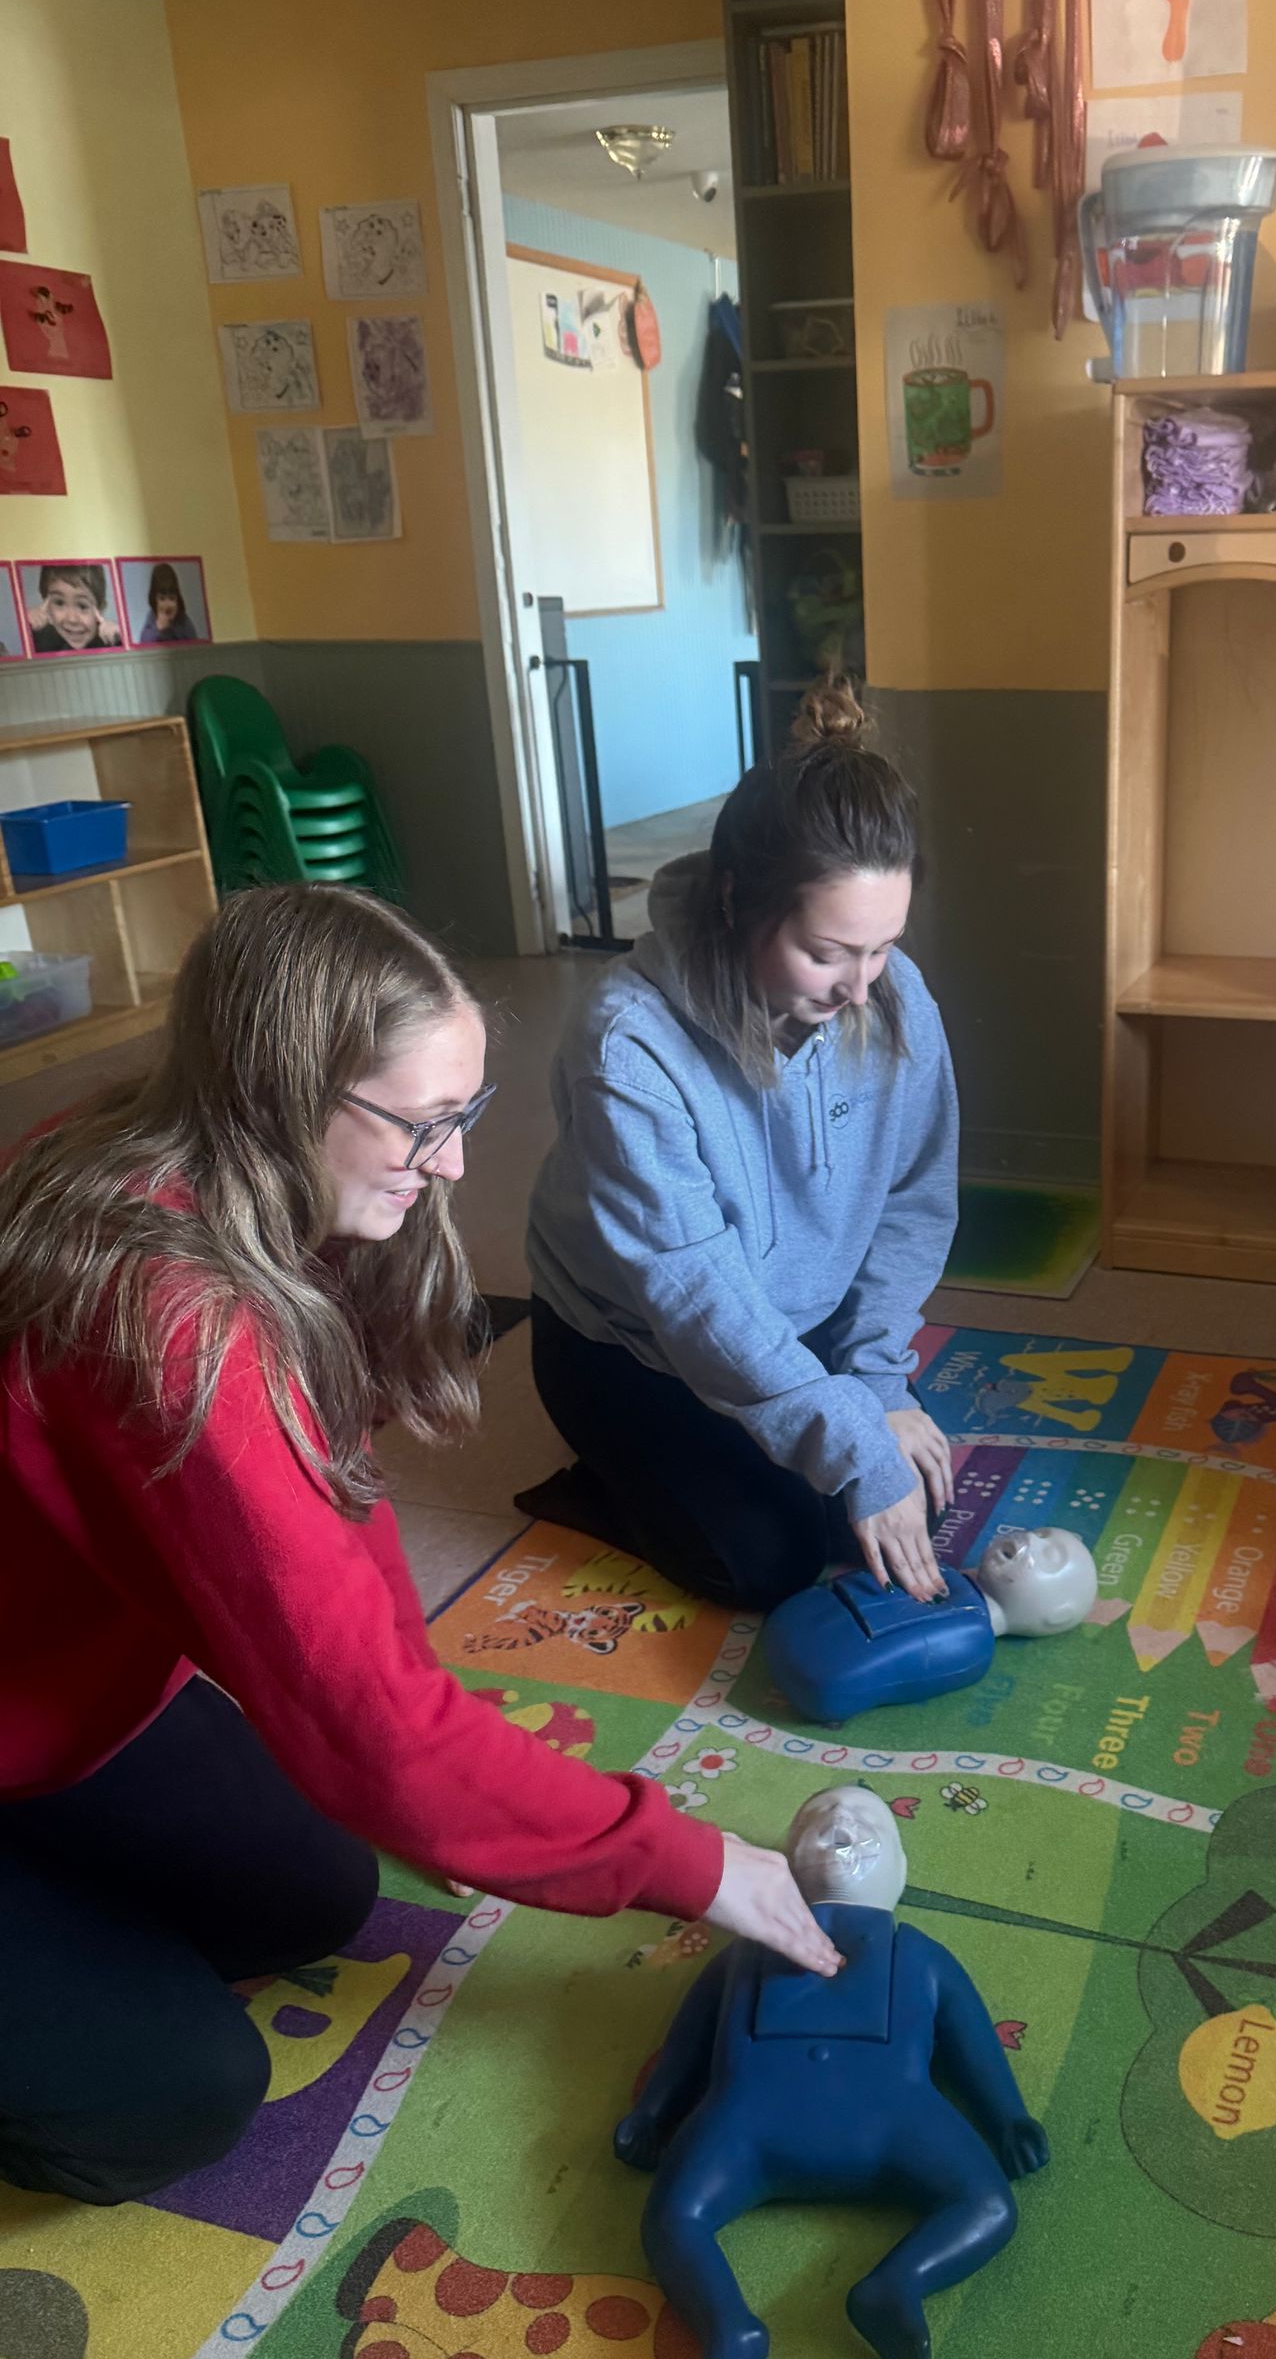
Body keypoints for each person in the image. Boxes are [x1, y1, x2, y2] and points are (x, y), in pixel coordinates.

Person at [0, 886, 837, 2209]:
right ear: (280, 1092)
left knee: (319, 1886)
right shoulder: (176, 1320)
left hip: (56, 1706)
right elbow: (369, 1727)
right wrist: (687, 1861)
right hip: (26, 1716)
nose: (454, 1164)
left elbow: (333, 1537)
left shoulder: (217, 1175)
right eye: (424, 1122)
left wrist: (422, 1770)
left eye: (467, 1113)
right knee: (176, 2096)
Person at [524, 679, 959, 1615]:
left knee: (896, 1490)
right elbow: (694, 1294)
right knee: (771, 1563)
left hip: (791, 1316)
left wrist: (878, 1383)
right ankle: (599, 1478)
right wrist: (847, 1447)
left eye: (881, 948)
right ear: (736, 899)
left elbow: (913, 1201)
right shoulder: (627, 1047)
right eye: (828, 951)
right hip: (633, 1342)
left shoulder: (896, 997)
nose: (860, 986)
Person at [30, 561, 122, 654]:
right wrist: (26, 627)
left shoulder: (112, 642)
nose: (72, 619)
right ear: (47, 607)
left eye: (82, 606)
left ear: (101, 608)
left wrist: (121, 640)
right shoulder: (41, 640)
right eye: (59, 603)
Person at [137, 561, 203, 647]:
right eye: (162, 599)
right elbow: (143, 643)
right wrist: (158, 627)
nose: (167, 604)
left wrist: (173, 627)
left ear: (177, 599)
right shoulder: (152, 617)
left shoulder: (183, 620)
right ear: (155, 600)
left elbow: (195, 644)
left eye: (172, 598)